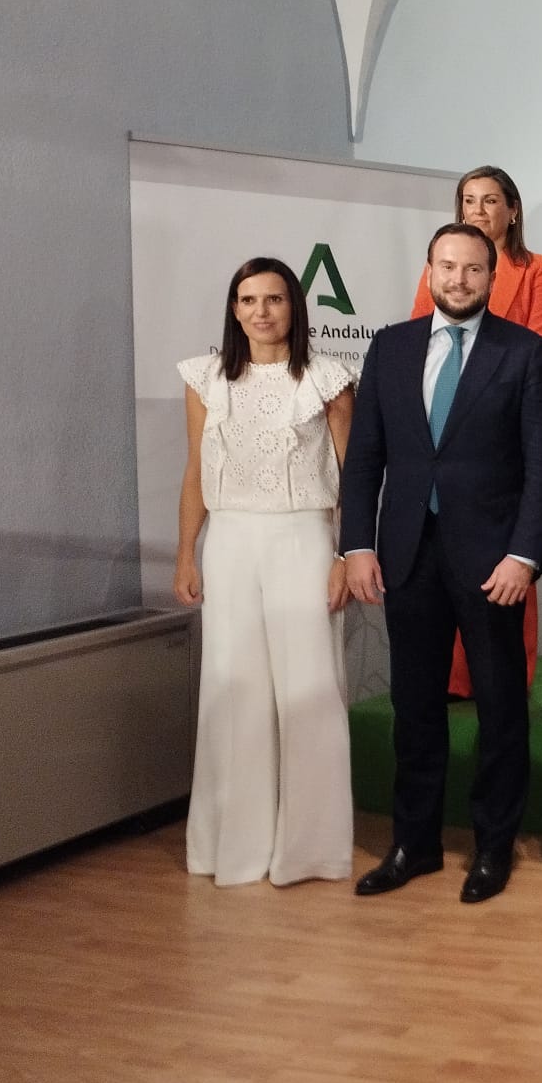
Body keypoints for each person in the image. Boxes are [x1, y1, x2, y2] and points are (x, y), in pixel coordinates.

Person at [342, 222, 542, 905]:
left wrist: (525, 555)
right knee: (415, 707)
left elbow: (541, 468)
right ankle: (415, 844)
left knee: (499, 708)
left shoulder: (523, 353)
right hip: (407, 553)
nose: (459, 280)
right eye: (448, 267)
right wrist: (357, 545)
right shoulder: (390, 347)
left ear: (492, 277)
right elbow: (365, 460)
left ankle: (493, 848)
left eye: (473, 269)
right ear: (429, 270)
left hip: (493, 561)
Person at [174, 257, 357, 887]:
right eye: (248, 300)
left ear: (294, 308)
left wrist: (344, 554)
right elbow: (195, 473)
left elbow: (351, 479)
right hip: (227, 541)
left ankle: (310, 850)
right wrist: (184, 553)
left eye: (273, 299)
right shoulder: (205, 381)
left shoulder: (329, 380)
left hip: (304, 540)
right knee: (233, 690)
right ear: (234, 309)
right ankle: (232, 846)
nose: (261, 311)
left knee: (309, 690)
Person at [410, 165, 542, 700]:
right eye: (469, 200)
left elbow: (539, 336)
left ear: (511, 210)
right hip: (445, 425)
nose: (478, 209)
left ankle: (504, 679)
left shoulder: (536, 267)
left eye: (490, 200)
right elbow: (418, 339)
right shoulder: (439, 270)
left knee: (503, 563)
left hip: (503, 413)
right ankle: (453, 682)